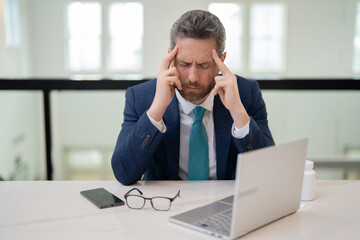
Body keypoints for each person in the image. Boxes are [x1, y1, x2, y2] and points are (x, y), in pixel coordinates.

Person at [111, 9, 275, 185]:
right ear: (171, 59)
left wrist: (238, 112)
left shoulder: (246, 93)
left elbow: (269, 172)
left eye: (204, 65)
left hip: (225, 205)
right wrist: (157, 108)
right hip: (165, 206)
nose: (192, 77)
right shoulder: (141, 97)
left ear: (222, 60)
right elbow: (123, 173)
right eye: (184, 64)